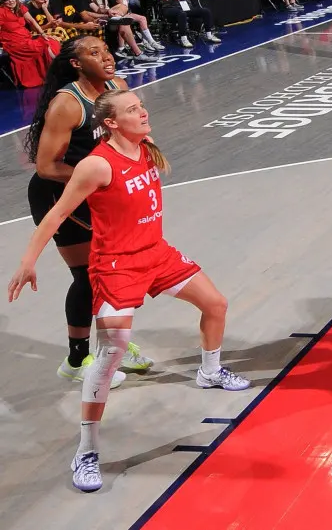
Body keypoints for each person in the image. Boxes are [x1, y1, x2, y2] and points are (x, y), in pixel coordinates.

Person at [9, 89, 250, 492]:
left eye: (141, 106)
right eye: (133, 110)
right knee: (111, 353)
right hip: (117, 266)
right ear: (110, 124)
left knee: (216, 303)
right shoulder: (96, 165)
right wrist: (27, 261)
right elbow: (56, 214)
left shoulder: (146, 145)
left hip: (156, 254)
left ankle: (210, 372)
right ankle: (86, 450)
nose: (143, 111)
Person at [23, 37, 148, 385]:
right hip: (60, 193)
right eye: (93, 53)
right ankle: (77, 359)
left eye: (106, 49)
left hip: (101, 193)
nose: (105, 56)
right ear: (76, 63)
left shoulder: (117, 89)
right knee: (88, 277)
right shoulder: (68, 103)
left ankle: (112, 348)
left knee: (115, 273)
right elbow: (46, 166)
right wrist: (100, 179)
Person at [0, 0, 60, 87]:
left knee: (51, 41)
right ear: (2, 1)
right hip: (14, 43)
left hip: (26, 37)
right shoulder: (1, 12)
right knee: (44, 46)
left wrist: (43, 34)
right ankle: (55, 73)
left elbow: (32, 21)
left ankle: (55, 73)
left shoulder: (20, 7)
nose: (10, 0)